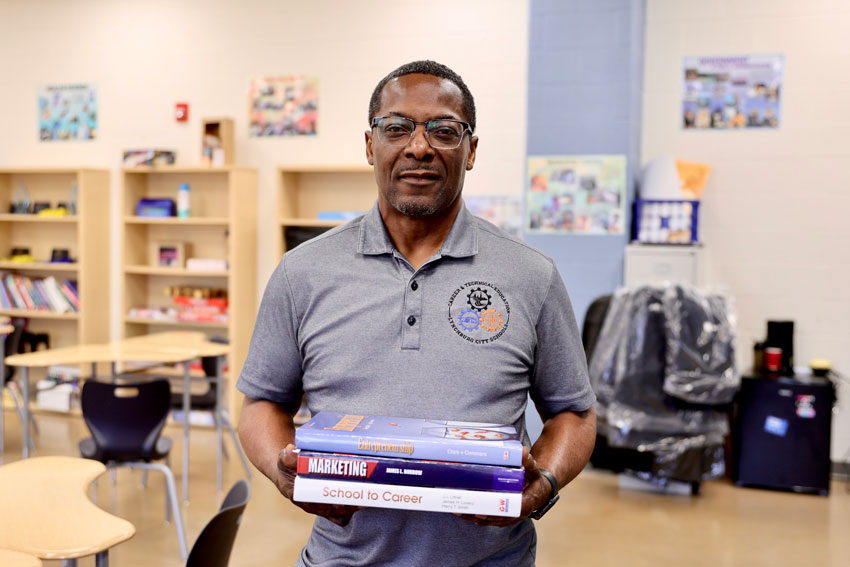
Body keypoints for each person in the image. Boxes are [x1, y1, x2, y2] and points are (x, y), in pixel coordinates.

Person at [237, 60, 597, 567]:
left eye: (444, 131)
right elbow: (260, 405)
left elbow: (574, 414)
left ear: (471, 151)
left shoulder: (531, 275)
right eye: (397, 127)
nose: (419, 147)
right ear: (370, 145)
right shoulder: (303, 272)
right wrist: (285, 475)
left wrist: (543, 485)